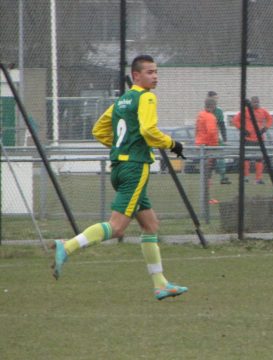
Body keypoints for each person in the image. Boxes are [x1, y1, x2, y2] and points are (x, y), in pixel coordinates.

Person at [51, 55, 188, 300]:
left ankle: (160, 284)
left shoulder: (123, 100)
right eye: (149, 72)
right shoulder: (146, 96)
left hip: (119, 167)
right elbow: (148, 130)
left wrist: (120, 148)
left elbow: (98, 130)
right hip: (135, 168)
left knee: (150, 225)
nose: (154, 76)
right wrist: (172, 144)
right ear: (136, 76)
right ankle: (68, 246)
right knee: (116, 228)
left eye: (156, 72)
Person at [232, 96, 273, 184]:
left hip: (259, 139)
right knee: (246, 159)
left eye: (257, 102)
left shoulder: (263, 111)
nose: (256, 104)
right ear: (251, 103)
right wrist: (242, 129)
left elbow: (270, 119)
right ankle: (245, 177)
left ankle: (258, 179)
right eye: (254, 102)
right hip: (247, 139)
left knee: (259, 159)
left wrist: (265, 128)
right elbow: (235, 120)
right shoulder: (245, 111)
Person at [195, 98, 227, 205]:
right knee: (208, 173)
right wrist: (214, 146)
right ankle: (207, 198)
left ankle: (206, 197)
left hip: (201, 146)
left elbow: (197, 130)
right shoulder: (210, 117)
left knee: (205, 173)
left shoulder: (200, 115)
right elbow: (212, 132)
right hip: (208, 148)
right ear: (213, 106)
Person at [205, 92, 231, 185]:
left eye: (217, 98)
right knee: (209, 159)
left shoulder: (219, 111)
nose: (216, 100)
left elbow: (222, 125)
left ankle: (223, 177)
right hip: (207, 140)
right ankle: (208, 179)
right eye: (215, 98)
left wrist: (225, 139)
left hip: (216, 138)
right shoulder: (204, 112)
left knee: (220, 157)